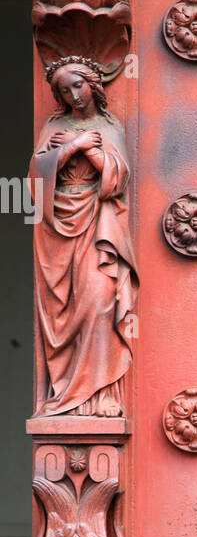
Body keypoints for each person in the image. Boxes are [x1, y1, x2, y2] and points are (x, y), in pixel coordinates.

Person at [30, 56, 138, 416]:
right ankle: (65, 393)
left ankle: (102, 390)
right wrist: (70, 148)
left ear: (93, 84)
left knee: (99, 299)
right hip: (57, 229)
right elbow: (33, 181)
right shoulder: (54, 126)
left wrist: (91, 150)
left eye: (77, 85)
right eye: (64, 90)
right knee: (64, 309)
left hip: (98, 225)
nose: (73, 95)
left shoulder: (110, 128)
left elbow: (117, 179)